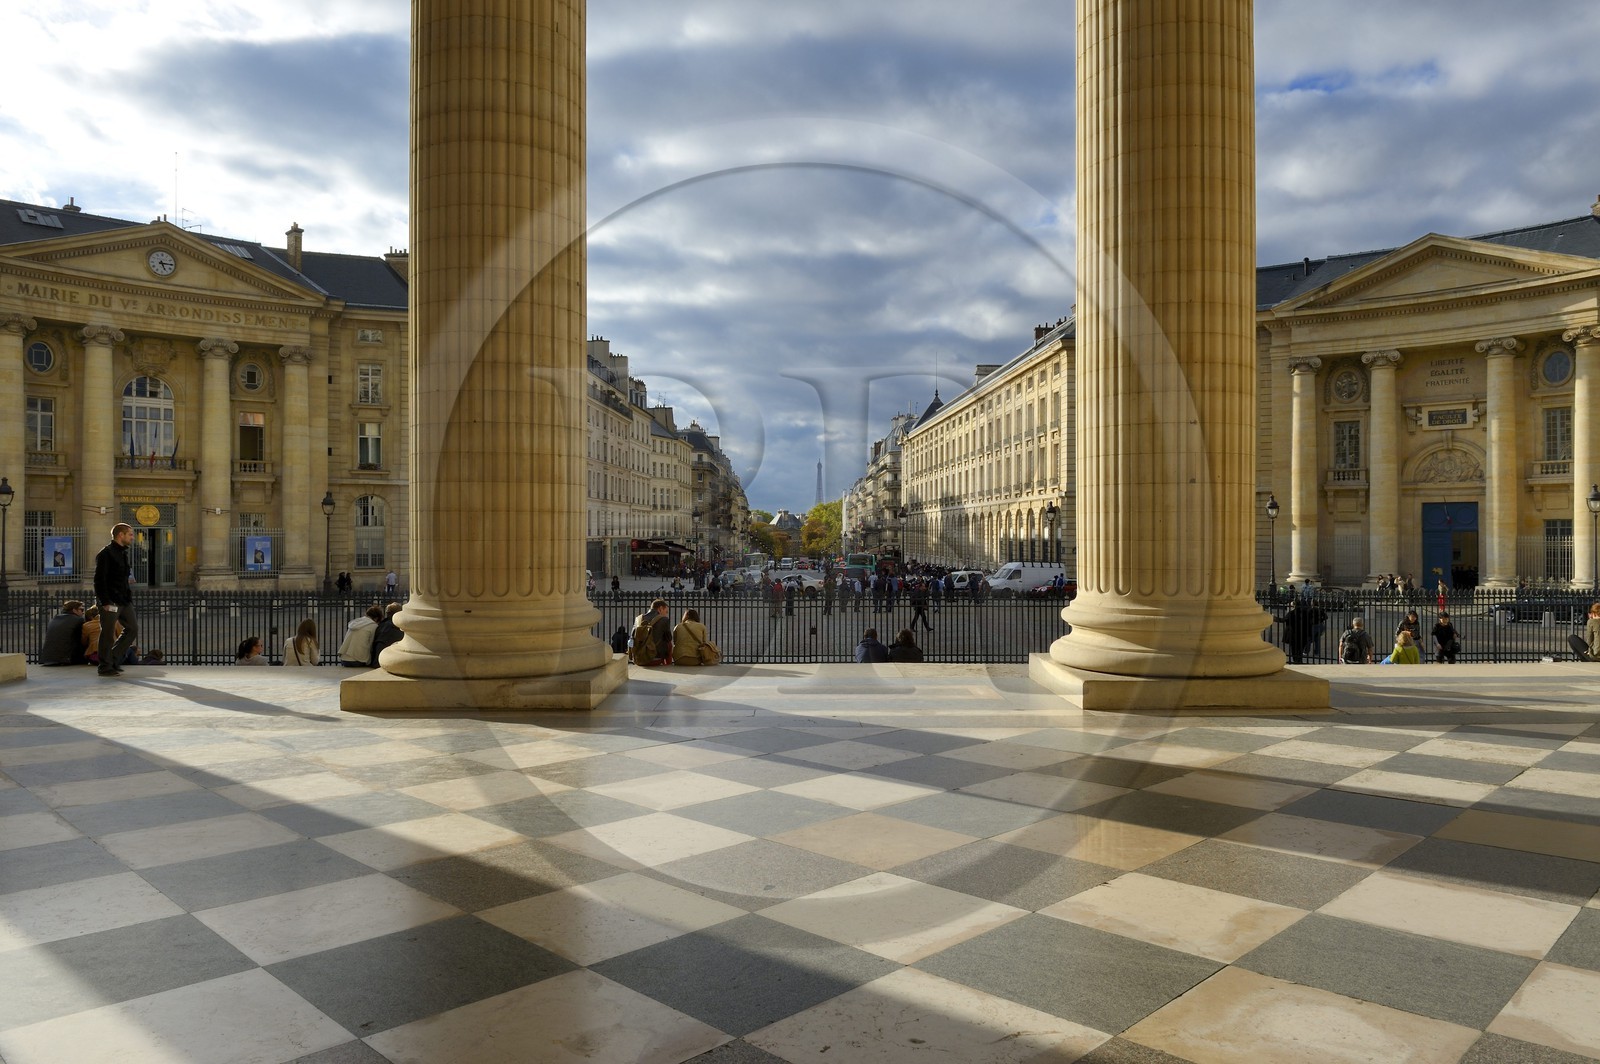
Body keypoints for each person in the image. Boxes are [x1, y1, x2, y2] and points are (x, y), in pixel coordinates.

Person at [92, 522, 139, 677]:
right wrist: (104, 601)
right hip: (110, 600)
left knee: (132, 628)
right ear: (121, 535)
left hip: (124, 599)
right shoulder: (106, 553)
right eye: (130, 534)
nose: (132, 537)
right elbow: (99, 580)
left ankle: (112, 659)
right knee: (107, 633)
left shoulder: (123, 553)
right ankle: (105, 667)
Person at [38, 600, 88, 666]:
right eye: (81, 609)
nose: (83, 612)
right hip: (66, 658)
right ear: (74, 610)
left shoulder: (55, 619)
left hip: (48, 658)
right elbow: (82, 639)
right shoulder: (78, 620)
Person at [631, 598, 672, 666]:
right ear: (660, 608)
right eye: (666, 611)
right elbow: (669, 638)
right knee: (669, 643)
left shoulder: (638, 619)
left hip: (638, 658)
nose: (666, 614)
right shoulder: (664, 620)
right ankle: (668, 665)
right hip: (656, 658)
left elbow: (632, 638)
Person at [1282, 599, 1315, 665]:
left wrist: (1274, 618)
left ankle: (1296, 661)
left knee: (1294, 650)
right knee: (1300, 649)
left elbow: (1284, 620)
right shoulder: (1306, 612)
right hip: (1304, 634)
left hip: (1293, 635)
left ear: (1294, 606)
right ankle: (1299, 661)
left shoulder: (1291, 613)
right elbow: (1311, 622)